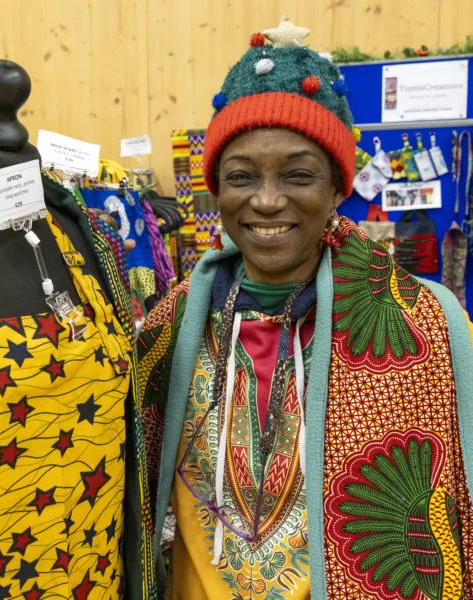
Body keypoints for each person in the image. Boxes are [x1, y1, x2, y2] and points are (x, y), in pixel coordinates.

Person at [137, 16, 473, 600]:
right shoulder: (171, 327)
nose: (267, 201)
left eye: (298, 175)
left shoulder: (428, 329)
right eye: (241, 177)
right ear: (216, 189)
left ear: (338, 188)